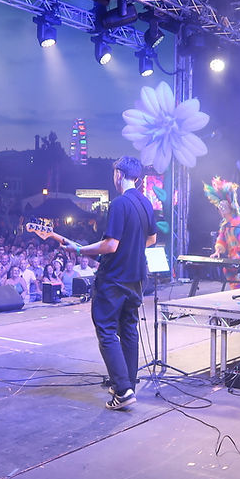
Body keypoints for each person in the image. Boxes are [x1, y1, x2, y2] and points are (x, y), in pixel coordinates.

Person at [65, 156, 156, 410]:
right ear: (136, 177)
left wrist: (82, 250)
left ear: (118, 174)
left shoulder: (119, 204)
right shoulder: (146, 202)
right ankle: (128, 384)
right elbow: (151, 240)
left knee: (106, 330)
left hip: (114, 278)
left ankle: (123, 390)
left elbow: (110, 245)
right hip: (137, 277)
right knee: (128, 328)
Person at [203, 177, 240, 289]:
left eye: (222, 207)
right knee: (231, 276)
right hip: (234, 259)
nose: (220, 210)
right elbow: (221, 239)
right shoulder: (225, 225)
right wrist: (218, 251)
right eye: (220, 207)